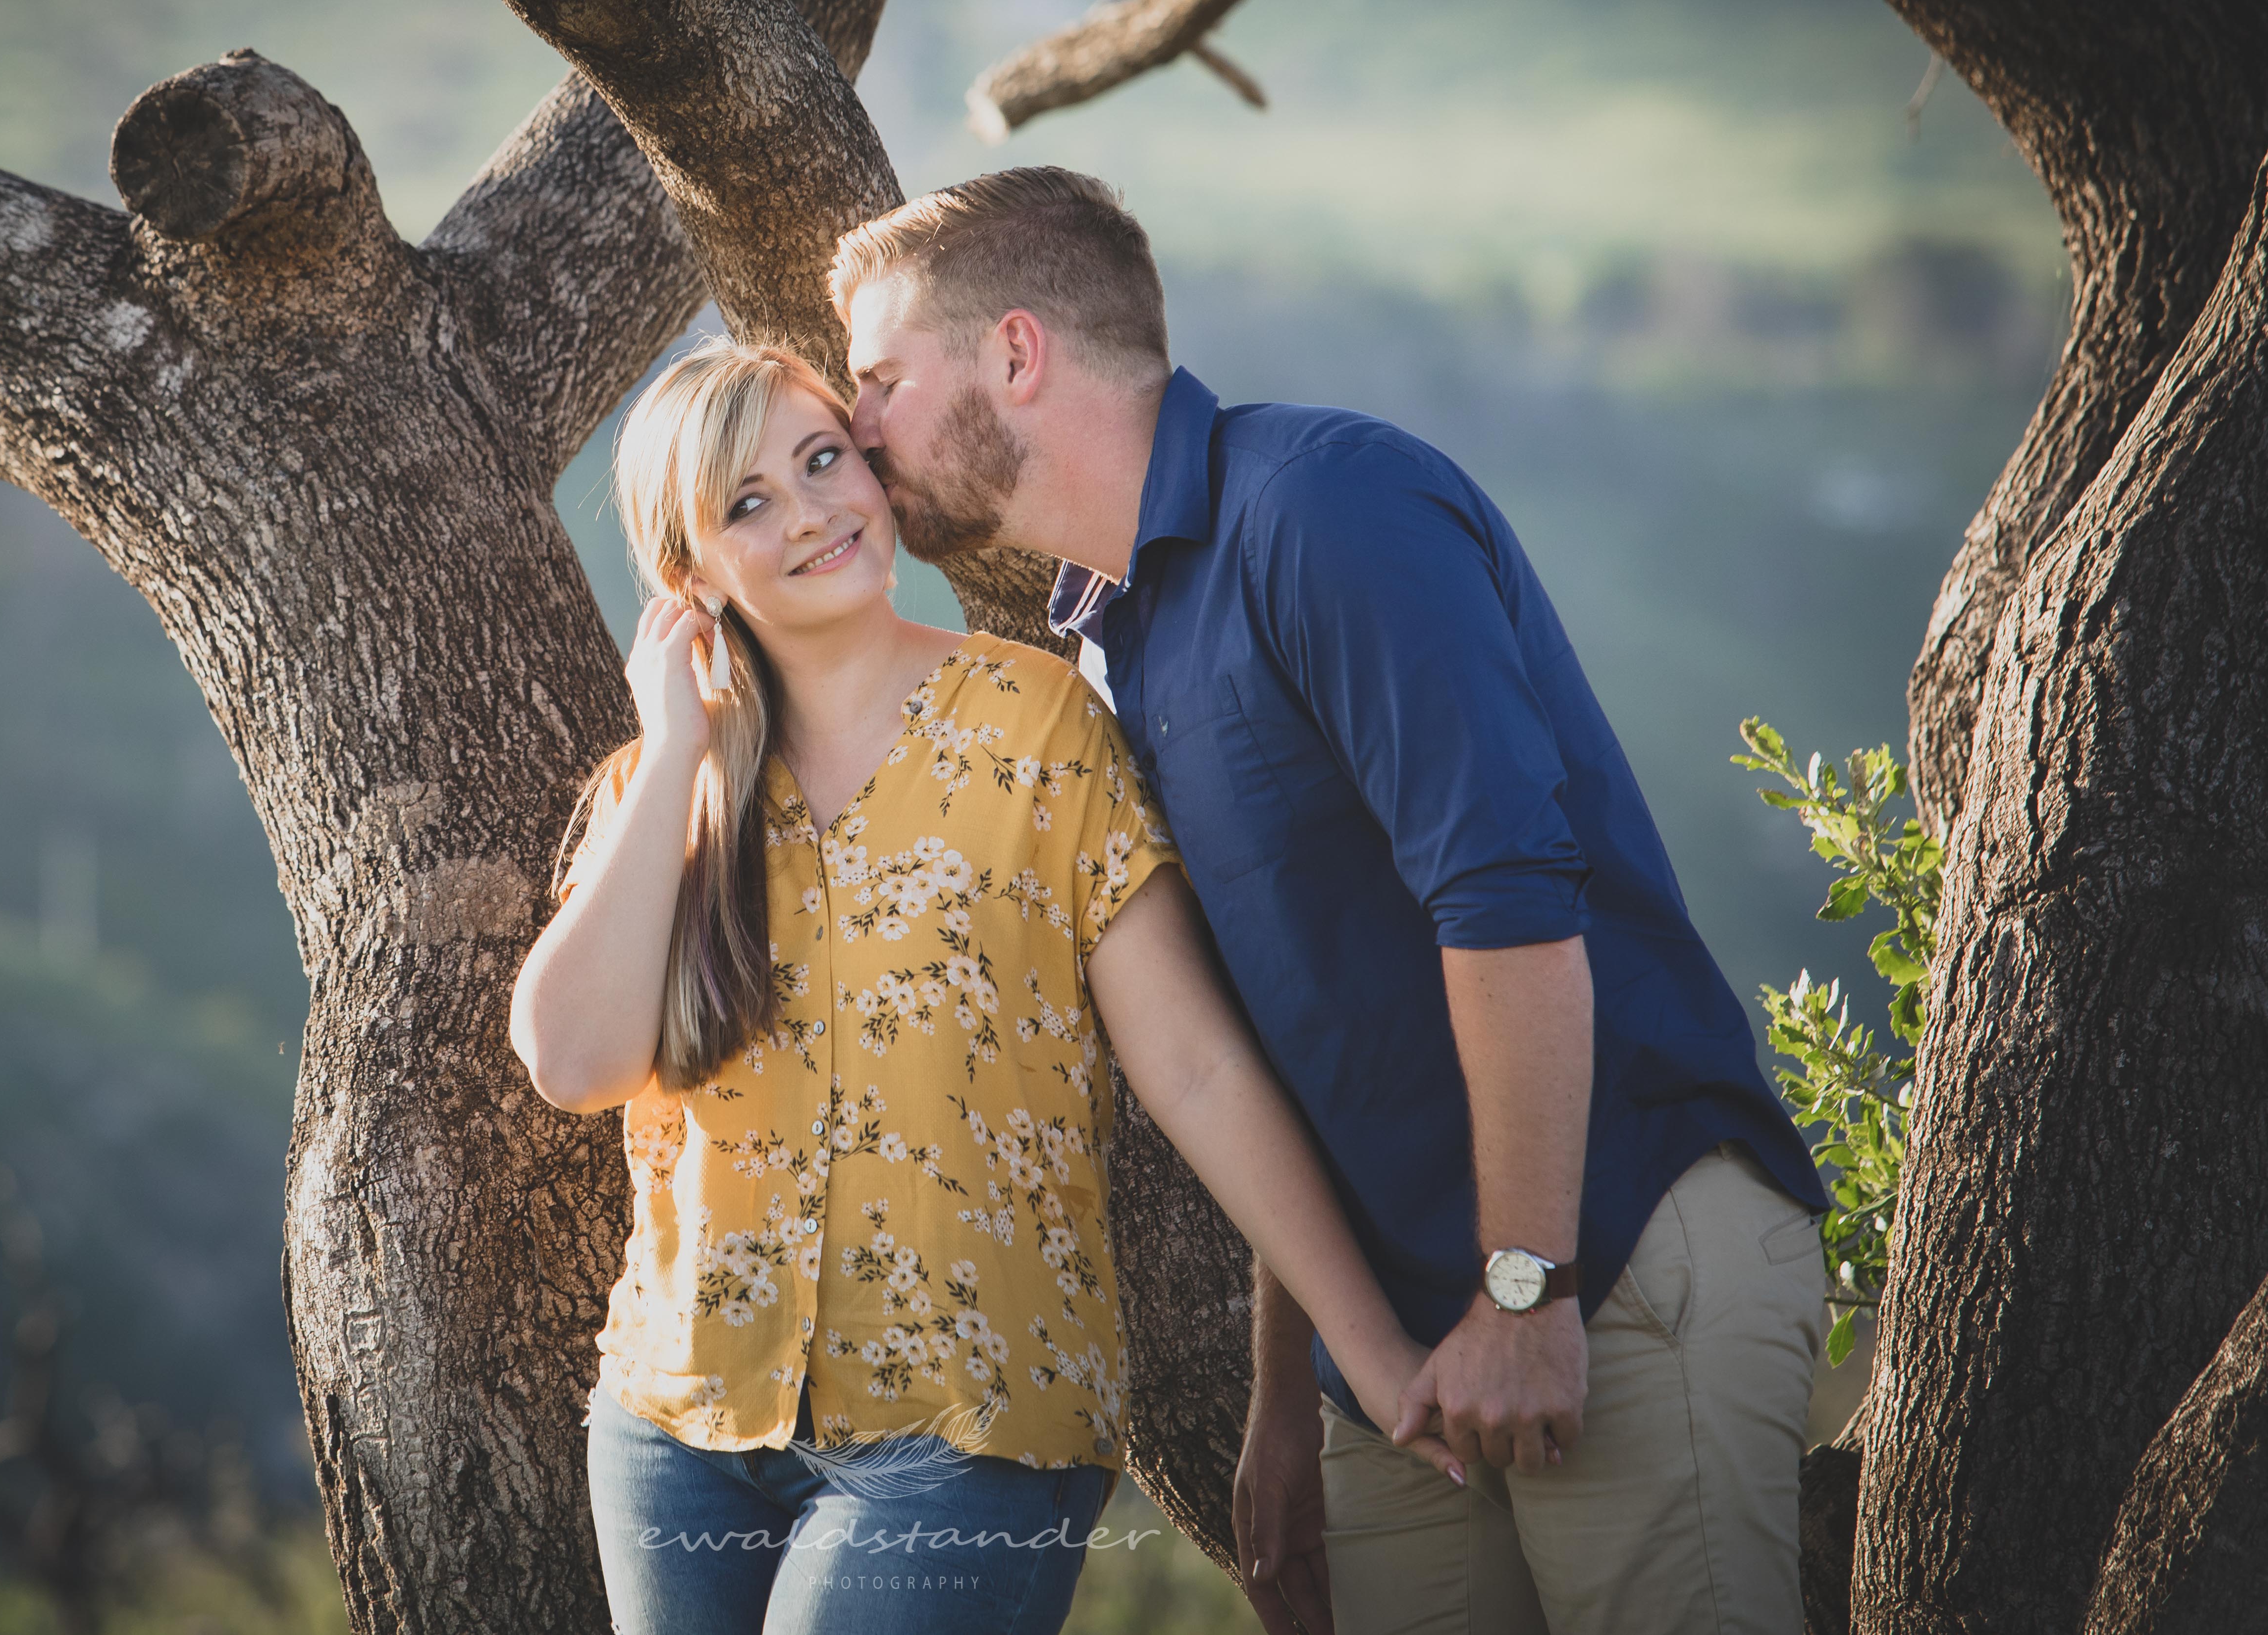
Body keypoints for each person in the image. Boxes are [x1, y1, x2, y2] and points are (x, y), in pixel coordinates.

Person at [830, 168, 1833, 1635]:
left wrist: (1526, 1288)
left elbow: (1508, 905)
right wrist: (1289, 1400)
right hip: (1401, 1372)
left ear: (1018, 353)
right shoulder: (1110, 639)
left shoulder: (1323, 506)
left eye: (879, 378)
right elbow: (1280, 1040)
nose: (859, 426)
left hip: (1611, 1268)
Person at [509, 336, 1461, 1635]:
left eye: (823, 460)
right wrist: (678, 745)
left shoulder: (1037, 723)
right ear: (690, 577)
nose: (811, 513)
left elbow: (1197, 1068)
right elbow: (572, 1063)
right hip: (677, 1424)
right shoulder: (659, 792)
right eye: (749, 503)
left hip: (967, 1425)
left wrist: (1370, 1347)